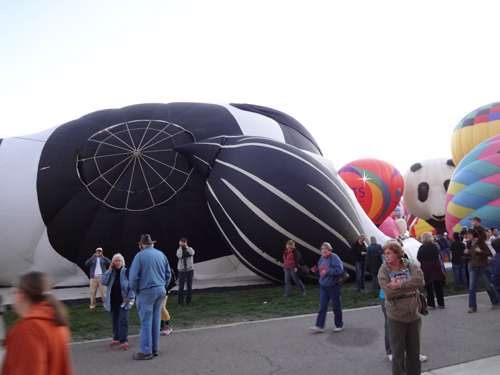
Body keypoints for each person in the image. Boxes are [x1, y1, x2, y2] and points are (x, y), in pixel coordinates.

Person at [1, 271, 73, 375]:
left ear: (22, 295)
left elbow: (28, 370)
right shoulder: (56, 322)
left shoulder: (29, 328)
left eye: (13, 292)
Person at [378, 240, 425, 375]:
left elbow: (420, 280)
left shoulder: (409, 264)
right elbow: (388, 293)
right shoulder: (383, 270)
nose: (386, 256)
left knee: (414, 353)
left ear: (398, 254)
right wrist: (410, 287)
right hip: (396, 316)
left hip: (414, 314)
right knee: (398, 354)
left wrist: (400, 285)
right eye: (384, 253)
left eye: (389, 253)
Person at [129, 234, 171, 360]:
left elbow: (133, 278)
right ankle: (154, 348)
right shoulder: (161, 254)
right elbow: (168, 274)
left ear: (141, 246)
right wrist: (163, 286)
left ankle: (146, 351)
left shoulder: (139, 256)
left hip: (146, 291)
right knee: (156, 319)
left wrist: (135, 291)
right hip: (161, 289)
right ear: (152, 244)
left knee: (146, 321)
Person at [99, 253, 135, 350]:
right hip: (113, 301)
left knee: (123, 321)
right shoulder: (111, 273)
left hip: (124, 302)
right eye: (115, 261)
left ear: (122, 262)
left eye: (119, 260)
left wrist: (129, 298)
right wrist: (109, 270)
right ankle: (116, 338)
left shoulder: (127, 272)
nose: (117, 262)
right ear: (113, 263)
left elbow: (133, 287)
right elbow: (102, 282)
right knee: (114, 321)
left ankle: (124, 340)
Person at [309, 242, 344, 333]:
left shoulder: (334, 257)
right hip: (324, 285)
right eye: (322, 249)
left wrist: (328, 271)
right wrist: (316, 271)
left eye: (325, 248)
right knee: (323, 306)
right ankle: (319, 326)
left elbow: (339, 269)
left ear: (329, 249)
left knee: (336, 305)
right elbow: (321, 271)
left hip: (333, 286)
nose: (323, 250)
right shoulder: (321, 258)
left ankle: (339, 324)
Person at [464, 228, 499, 313]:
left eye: (469, 234)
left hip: (483, 266)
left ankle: (496, 302)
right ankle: (472, 306)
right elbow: (469, 256)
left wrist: (481, 251)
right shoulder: (468, 244)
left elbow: (490, 253)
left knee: (488, 286)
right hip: (472, 267)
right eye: (467, 234)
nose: (467, 236)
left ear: (474, 235)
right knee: (472, 288)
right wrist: (466, 253)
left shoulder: (481, 243)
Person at [417, 232, 446, 309]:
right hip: (436, 266)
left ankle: (431, 304)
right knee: (438, 285)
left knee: (428, 285)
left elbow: (418, 258)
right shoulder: (435, 245)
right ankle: (441, 303)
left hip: (427, 267)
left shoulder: (422, 247)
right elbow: (440, 253)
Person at [177, 238, 195, 307]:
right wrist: (181, 247)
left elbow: (192, 253)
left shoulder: (190, 248)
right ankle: (180, 302)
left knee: (189, 286)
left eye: (184, 242)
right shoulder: (179, 250)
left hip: (189, 269)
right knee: (181, 286)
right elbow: (179, 255)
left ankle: (189, 301)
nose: (183, 243)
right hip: (181, 270)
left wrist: (186, 247)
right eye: (182, 242)